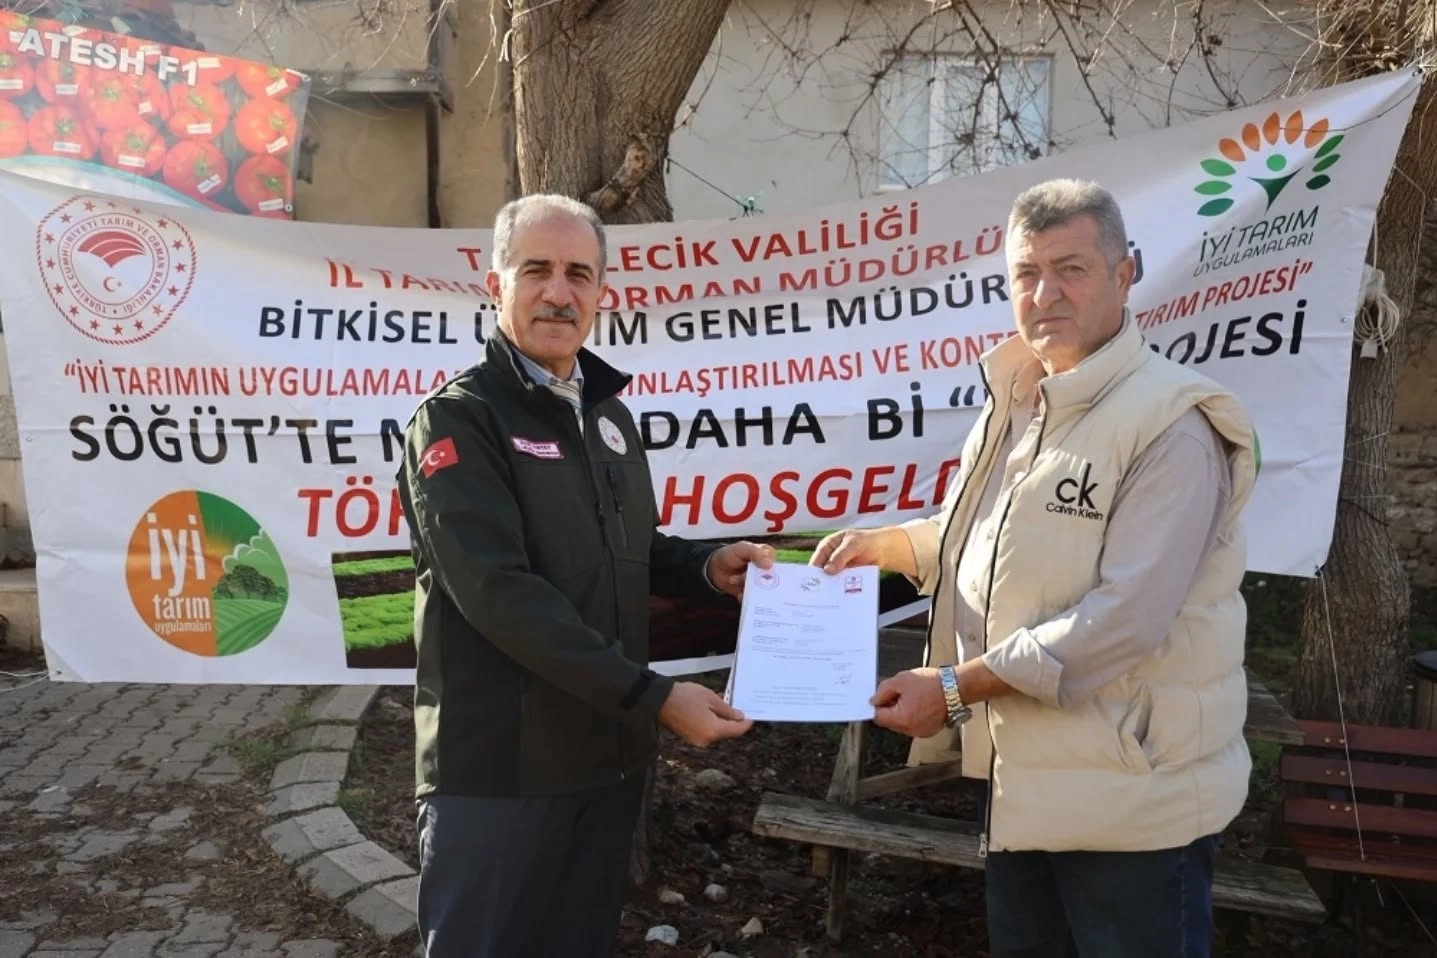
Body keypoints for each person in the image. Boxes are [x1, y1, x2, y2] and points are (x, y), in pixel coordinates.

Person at [812, 178, 1257, 957]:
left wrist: (955, 687)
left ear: (1124, 274)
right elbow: (986, 541)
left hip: (1134, 797)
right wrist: (893, 547)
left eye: (1070, 269)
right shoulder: (1018, 400)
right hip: (1026, 782)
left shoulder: (1172, 425)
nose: (1044, 293)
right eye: (1025, 273)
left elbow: (1124, 619)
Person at [396, 193, 772, 958]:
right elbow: (499, 594)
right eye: (535, 270)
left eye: (578, 274)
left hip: (604, 763)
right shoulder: (460, 419)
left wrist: (705, 565)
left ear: (601, 291)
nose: (558, 293)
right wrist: (655, 697)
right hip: (497, 771)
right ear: (495, 284)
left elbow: (626, 547)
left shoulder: (606, 416)